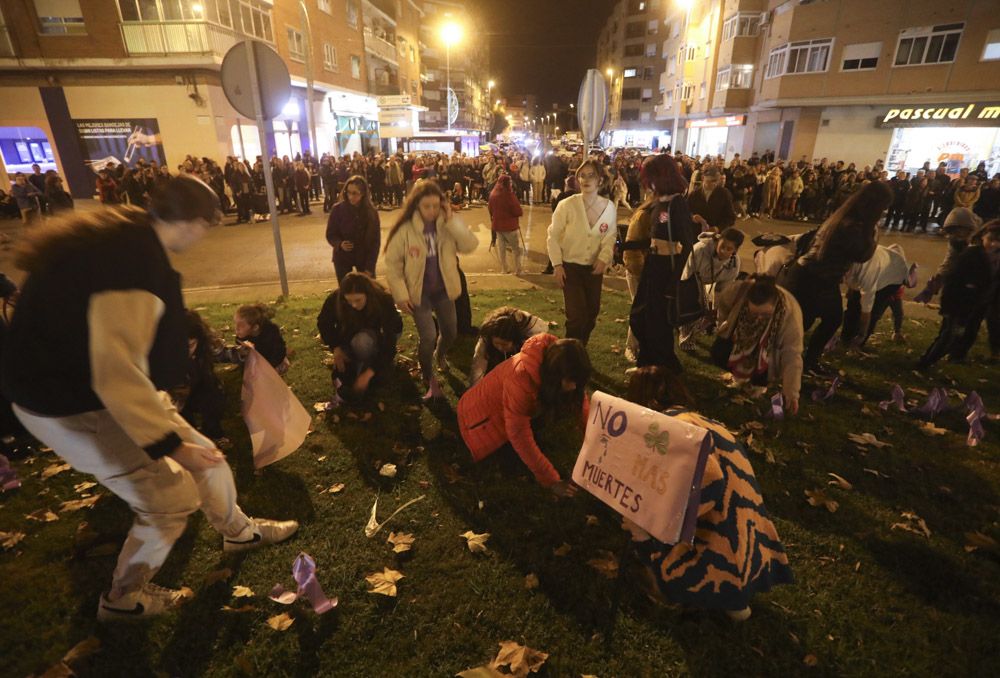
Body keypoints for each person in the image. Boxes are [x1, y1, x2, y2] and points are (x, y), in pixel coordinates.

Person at [1, 175, 297, 620]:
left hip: (84, 389)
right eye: (207, 227)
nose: (203, 238)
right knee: (170, 497)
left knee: (208, 456)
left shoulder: (128, 236)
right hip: (69, 405)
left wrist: (180, 440)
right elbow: (115, 373)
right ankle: (123, 599)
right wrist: (171, 446)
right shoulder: (134, 263)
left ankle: (238, 531)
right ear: (194, 221)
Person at [622, 366, 793, 619]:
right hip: (749, 541)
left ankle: (696, 586)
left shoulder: (670, 427)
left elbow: (711, 482)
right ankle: (733, 593)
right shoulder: (702, 421)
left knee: (638, 526)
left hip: (717, 545)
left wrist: (656, 524)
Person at [778, 181, 893, 373]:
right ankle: (784, 361)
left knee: (828, 319)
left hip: (818, 277)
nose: (883, 213)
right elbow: (862, 255)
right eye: (883, 209)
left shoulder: (845, 216)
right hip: (811, 279)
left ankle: (806, 361)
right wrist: (875, 234)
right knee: (803, 324)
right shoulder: (853, 225)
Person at [457, 334, 588, 497]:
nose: (575, 386)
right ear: (556, 375)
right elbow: (520, 435)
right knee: (510, 458)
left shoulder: (557, 357)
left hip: (504, 407)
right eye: (571, 381)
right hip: (476, 421)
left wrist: (594, 437)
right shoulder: (521, 381)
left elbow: (581, 401)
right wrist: (552, 480)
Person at [384, 180, 478, 400]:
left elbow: (469, 245)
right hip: (419, 294)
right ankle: (427, 374)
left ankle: (440, 355)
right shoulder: (406, 229)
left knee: (450, 332)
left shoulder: (446, 225)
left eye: (436, 206)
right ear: (417, 204)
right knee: (428, 336)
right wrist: (400, 295)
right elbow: (393, 265)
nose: (432, 211)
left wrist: (452, 219)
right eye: (427, 206)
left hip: (444, 290)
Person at [627, 154, 699, 373]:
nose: (647, 182)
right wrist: (624, 246)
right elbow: (652, 238)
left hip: (666, 270)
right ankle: (647, 363)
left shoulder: (677, 203)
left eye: (649, 176)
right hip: (653, 265)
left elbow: (688, 244)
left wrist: (674, 282)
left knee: (657, 323)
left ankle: (662, 366)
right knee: (641, 317)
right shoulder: (659, 202)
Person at [546, 160, 618, 344]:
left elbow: (609, 236)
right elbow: (552, 235)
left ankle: (579, 348)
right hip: (571, 268)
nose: (586, 179)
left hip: (593, 270)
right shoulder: (567, 205)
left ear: (600, 180)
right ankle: (569, 353)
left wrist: (603, 258)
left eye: (591, 175)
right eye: (582, 175)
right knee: (576, 316)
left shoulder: (608, 207)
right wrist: (557, 265)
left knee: (591, 314)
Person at [710, 275, 803, 413]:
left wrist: (791, 393)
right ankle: (739, 376)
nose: (759, 319)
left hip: (769, 348)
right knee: (719, 353)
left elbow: (792, 354)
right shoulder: (737, 291)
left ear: (775, 304)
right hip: (741, 337)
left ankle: (758, 384)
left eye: (765, 315)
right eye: (754, 314)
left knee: (764, 365)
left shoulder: (790, 313)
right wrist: (725, 323)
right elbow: (723, 303)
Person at [918, 220, 1000, 369]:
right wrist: (948, 307)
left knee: (965, 334)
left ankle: (954, 356)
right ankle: (925, 363)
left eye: (998, 242)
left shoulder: (995, 258)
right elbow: (952, 280)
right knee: (948, 336)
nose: (994, 245)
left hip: (979, 305)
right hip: (959, 305)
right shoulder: (971, 254)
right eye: (991, 240)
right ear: (983, 237)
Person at [317, 271, 403, 400]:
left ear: (367, 294)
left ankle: (369, 370)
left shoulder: (383, 299)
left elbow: (389, 340)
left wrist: (368, 374)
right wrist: (336, 347)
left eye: (358, 300)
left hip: (383, 334)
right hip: (352, 334)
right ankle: (357, 374)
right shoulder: (336, 298)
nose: (354, 305)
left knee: (362, 343)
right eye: (349, 301)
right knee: (345, 365)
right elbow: (324, 323)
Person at [678, 227, 745, 349]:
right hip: (690, 278)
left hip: (709, 280)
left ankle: (703, 329)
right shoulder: (700, 249)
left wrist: (716, 313)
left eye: (729, 249)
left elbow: (723, 291)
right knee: (693, 306)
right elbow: (687, 276)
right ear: (718, 240)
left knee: (707, 311)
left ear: (736, 250)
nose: (724, 251)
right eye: (722, 246)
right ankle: (686, 339)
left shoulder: (734, 264)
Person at [174, 310, 228, 446]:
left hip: (202, 385)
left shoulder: (206, 344)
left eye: (191, 345)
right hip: (177, 393)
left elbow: (222, 352)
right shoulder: (166, 354)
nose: (186, 351)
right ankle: (191, 439)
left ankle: (214, 433)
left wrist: (243, 352)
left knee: (214, 399)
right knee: (182, 416)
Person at [841, 244, 910, 347]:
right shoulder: (848, 258)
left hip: (893, 278)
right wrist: (852, 289)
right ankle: (845, 339)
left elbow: (866, 310)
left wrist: (862, 334)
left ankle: (858, 343)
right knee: (852, 306)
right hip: (878, 265)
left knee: (872, 311)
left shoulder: (867, 274)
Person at [469, 306, 546, 385]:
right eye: (496, 343)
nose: (499, 347)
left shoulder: (532, 336)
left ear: (515, 340)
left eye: (504, 344)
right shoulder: (487, 335)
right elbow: (478, 365)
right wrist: (474, 388)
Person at [326, 175, 380, 282]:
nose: (351, 196)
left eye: (355, 193)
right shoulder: (337, 209)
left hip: (364, 257)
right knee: (345, 292)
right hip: (343, 258)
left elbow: (375, 242)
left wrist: (370, 267)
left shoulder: (371, 213)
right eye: (348, 192)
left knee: (368, 291)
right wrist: (339, 244)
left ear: (363, 193)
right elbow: (330, 234)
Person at [219, 303, 289, 375]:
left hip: (274, 360)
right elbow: (238, 340)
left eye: (241, 325)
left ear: (255, 328)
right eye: (236, 324)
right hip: (257, 358)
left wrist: (269, 366)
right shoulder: (246, 334)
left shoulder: (271, 334)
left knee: (271, 373)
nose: (237, 328)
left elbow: (280, 352)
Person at [488, 174, 523, 275]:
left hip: (498, 226)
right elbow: (518, 211)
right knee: (515, 249)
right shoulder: (509, 195)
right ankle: (518, 269)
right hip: (510, 226)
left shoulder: (493, 194)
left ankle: (504, 269)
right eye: (510, 182)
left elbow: (490, 209)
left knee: (501, 248)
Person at [687, 166, 736, 233]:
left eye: (717, 180)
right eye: (712, 180)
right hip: (697, 234)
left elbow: (731, 218)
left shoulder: (724, 193)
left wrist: (718, 228)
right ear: (703, 178)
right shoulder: (694, 194)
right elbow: (686, 211)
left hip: (715, 235)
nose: (715, 183)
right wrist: (692, 217)